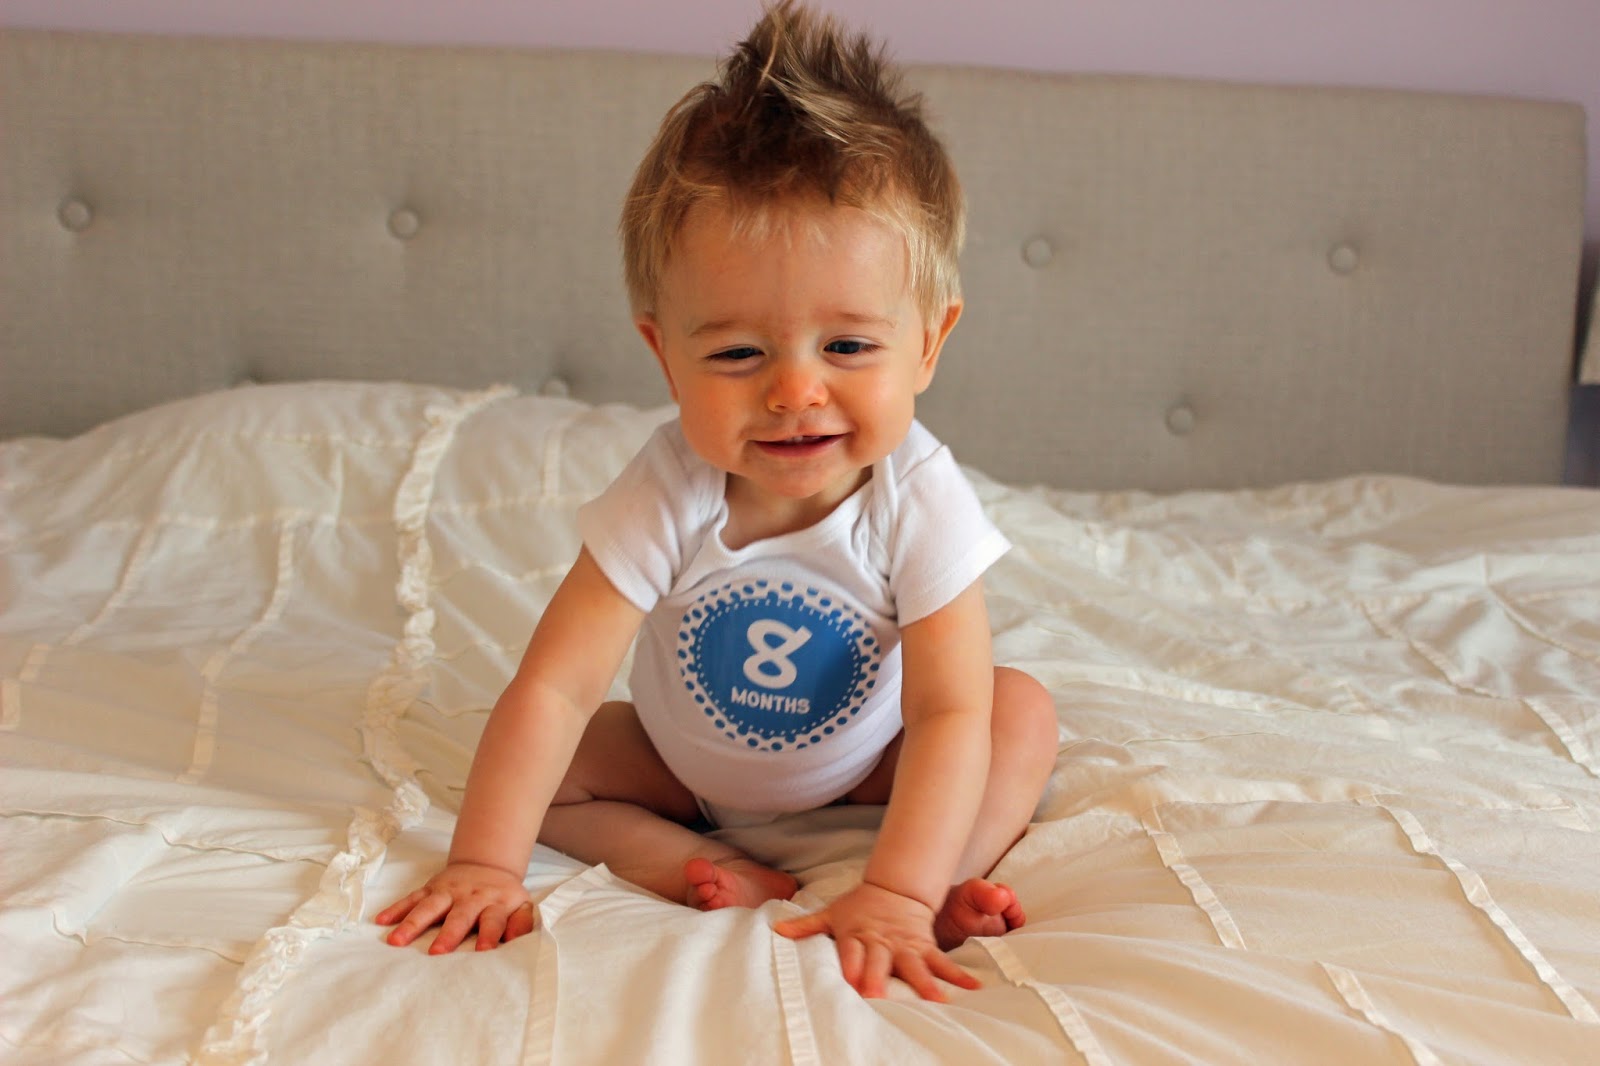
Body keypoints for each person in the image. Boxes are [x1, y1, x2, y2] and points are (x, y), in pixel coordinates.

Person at [377, 0, 1059, 1003]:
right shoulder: (669, 488)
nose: (795, 391)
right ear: (665, 354)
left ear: (929, 343)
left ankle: (937, 878)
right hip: (682, 767)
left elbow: (946, 710)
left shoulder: (918, 497)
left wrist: (901, 892)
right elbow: (556, 686)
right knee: (538, 759)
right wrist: (485, 862)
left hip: (868, 763)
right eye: (739, 353)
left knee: (1016, 712)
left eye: (848, 345)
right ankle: (688, 863)